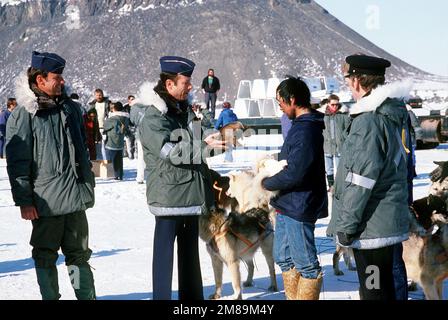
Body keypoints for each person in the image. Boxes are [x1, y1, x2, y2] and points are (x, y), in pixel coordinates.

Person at [5, 51, 96, 300]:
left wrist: (87, 186)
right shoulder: (25, 114)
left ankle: (85, 297)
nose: (63, 81)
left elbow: (83, 152)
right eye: (57, 77)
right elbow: (17, 163)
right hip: (46, 204)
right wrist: (24, 201)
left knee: (78, 258)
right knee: (45, 257)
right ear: (40, 80)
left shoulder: (71, 109)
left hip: (75, 200)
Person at [136, 56, 225, 300]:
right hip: (168, 198)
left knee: (190, 259)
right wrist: (203, 146)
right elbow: (170, 152)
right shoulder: (154, 117)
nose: (190, 87)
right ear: (169, 84)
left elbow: (200, 133)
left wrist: (216, 138)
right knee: (163, 261)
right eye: (186, 82)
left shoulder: (183, 110)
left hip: (191, 196)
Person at [327, 54, 411, 300]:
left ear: (356, 81)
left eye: (348, 78)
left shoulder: (368, 121)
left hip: (371, 229)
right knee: (384, 289)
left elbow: (361, 178)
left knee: (374, 291)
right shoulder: (388, 114)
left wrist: (346, 226)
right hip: (384, 221)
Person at [262, 77, 328, 300]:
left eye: (280, 101)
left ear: (292, 99)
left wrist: (264, 183)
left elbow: (296, 172)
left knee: (307, 265)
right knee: (283, 257)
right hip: (286, 203)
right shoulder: (300, 127)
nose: (279, 106)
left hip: (299, 205)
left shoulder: (306, 130)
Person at [322, 94, 350, 193]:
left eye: (337, 104)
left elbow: (348, 129)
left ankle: (339, 186)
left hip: (339, 146)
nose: (335, 107)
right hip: (327, 145)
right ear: (328, 104)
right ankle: (331, 186)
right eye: (333, 104)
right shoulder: (323, 116)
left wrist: (345, 140)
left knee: (339, 168)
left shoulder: (343, 115)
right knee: (328, 169)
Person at [103, 101, 129, 180]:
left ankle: (112, 174)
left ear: (114, 109)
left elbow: (105, 126)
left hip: (111, 142)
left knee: (111, 159)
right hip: (120, 142)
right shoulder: (126, 118)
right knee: (119, 160)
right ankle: (119, 175)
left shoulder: (112, 119)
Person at [88, 88, 110, 160]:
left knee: (107, 148)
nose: (99, 97)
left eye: (100, 95)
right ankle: (100, 164)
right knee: (98, 148)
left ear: (103, 95)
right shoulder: (92, 105)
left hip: (106, 128)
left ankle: (107, 163)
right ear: (95, 96)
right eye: (97, 95)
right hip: (96, 129)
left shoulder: (107, 104)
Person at [123, 95, 136, 159]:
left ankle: (136, 156)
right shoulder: (125, 108)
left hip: (136, 127)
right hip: (128, 127)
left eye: (133, 99)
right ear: (128, 100)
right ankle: (130, 156)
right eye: (131, 99)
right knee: (129, 143)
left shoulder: (136, 107)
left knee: (136, 143)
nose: (133, 100)